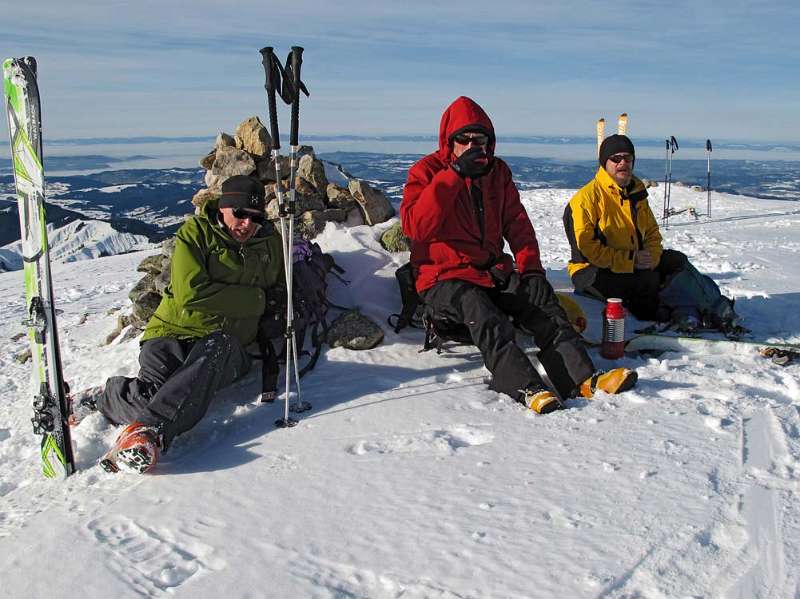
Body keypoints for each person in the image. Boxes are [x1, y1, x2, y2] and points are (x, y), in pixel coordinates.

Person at [401, 96, 637, 414]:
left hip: (489, 269)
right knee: (482, 312)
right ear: (449, 141)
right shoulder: (428, 171)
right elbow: (417, 227)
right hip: (443, 276)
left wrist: (532, 270)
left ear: (490, 142)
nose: (472, 147)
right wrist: (454, 174)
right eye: (464, 140)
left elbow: (518, 226)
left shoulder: (497, 173)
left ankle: (582, 379)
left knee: (542, 302)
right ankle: (524, 385)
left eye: (479, 140)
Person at [71, 175, 284, 473]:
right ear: (223, 208)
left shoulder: (270, 242)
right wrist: (256, 300)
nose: (247, 224)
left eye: (255, 217)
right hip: (171, 331)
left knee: (214, 349)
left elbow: (279, 287)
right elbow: (190, 293)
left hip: (227, 346)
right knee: (159, 393)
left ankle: (149, 433)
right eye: (240, 214)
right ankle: (106, 397)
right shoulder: (195, 233)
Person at [564, 134, 711, 325]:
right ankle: (654, 318)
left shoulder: (636, 194)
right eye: (616, 158)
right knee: (645, 280)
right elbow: (588, 251)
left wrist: (652, 257)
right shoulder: (586, 199)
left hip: (634, 262)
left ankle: (705, 304)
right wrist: (631, 262)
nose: (622, 163)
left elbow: (652, 233)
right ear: (604, 163)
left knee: (676, 261)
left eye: (628, 158)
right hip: (591, 272)